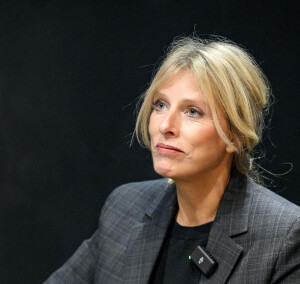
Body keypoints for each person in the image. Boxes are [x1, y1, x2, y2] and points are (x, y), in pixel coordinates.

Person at [44, 37, 300, 283]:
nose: (166, 125)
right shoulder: (124, 208)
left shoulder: (284, 234)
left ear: (235, 135)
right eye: (160, 105)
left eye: (192, 111)